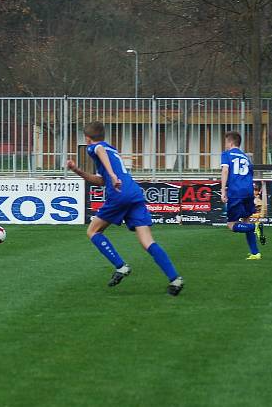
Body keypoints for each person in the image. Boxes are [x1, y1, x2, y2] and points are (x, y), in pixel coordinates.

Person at [66, 121, 184, 296]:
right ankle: (175, 279)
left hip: (119, 194)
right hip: (134, 193)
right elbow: (100, 180)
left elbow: (100, 151)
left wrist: (112, 175)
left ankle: (121, 267)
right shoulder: (112, 150)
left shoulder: (95, 148)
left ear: (87, 138)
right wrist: (77, 170)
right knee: (147, 241)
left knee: (93, 231)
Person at [220, 131, 267, 260]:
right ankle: (255, 253)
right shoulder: (246, 157)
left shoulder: (227, 154)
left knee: (231, 224)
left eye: (226, 142)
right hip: (248, 191)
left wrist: (223, 190)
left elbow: (225, 170)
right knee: (246, 220)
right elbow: (250, 174)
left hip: (236, 192)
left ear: (230, 142)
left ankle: (255, 226)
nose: (225, 145)